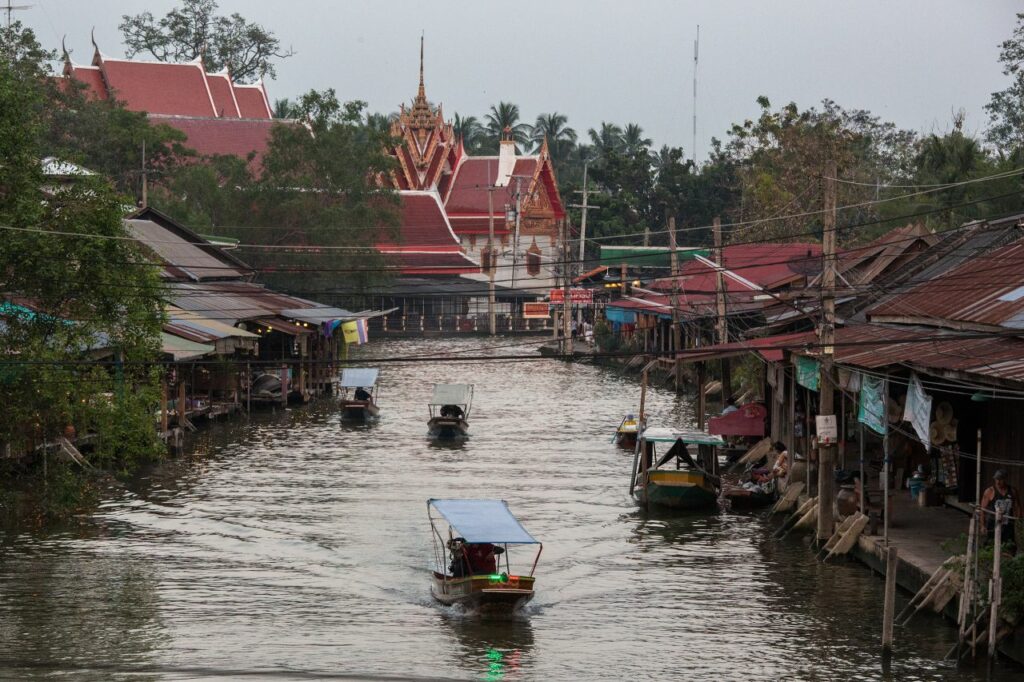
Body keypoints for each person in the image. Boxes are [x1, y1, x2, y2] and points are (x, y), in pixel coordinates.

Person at [980, 470, 1021, 552]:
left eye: (1000, 479)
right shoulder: (990, 491)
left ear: (1005, 479)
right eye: (996, 479)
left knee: (1010, 547)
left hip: (1008, 525)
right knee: (990, 546)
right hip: (993, 524)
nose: (998, 482)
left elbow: (1017, 507)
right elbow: (982, 510)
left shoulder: (1012, 491)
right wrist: (982, 525)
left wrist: (1019, 522)